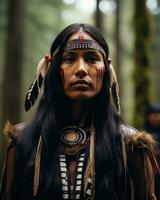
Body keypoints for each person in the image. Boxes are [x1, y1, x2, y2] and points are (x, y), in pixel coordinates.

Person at [0, 23, 158, 200]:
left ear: (107, 69)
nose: (81, 69)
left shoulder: (130, 144)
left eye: (91, 59)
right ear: (52, 68)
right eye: (69, 59)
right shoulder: (22, 141)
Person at [145, 104, 160, 199]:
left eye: (157, 114)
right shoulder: (144, 132)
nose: (155, 118)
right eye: (152, 115)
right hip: (149, 171)